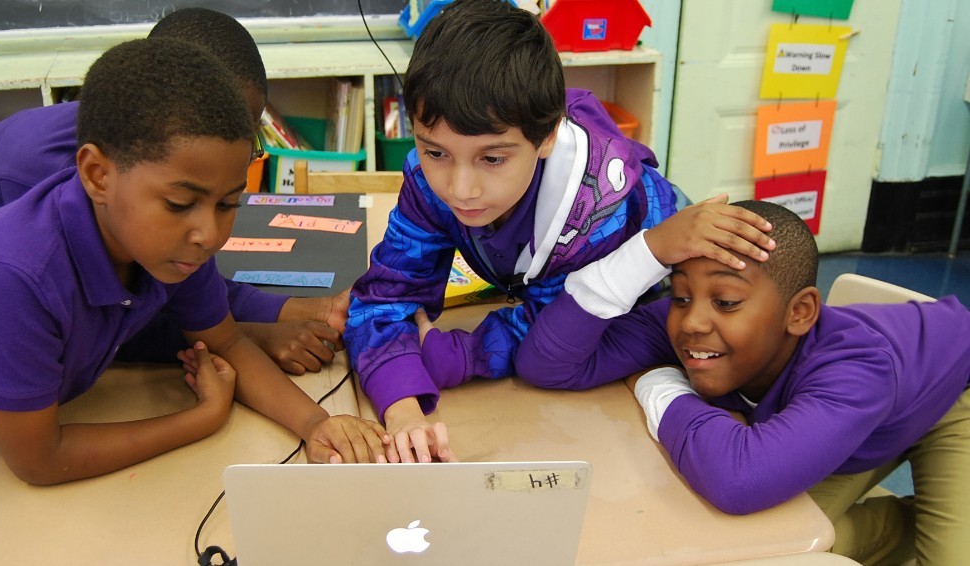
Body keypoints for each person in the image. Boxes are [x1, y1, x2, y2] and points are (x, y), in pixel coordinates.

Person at [0, 38, 393, 566]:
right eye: (180, 203)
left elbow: (223, 338)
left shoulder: (166, 244)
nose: (208, 233)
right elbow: (39, 458)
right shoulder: (13, 279)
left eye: (227, 204)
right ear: (96, 174)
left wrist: (316, 424)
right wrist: (202, 418)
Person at [0, 7, 346, 375]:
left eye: (248, 129)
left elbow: (182, 284)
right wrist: (252, 336)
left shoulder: (141, 173)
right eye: (181, 202)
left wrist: (286, 307)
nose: (235, 150)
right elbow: (103, 328)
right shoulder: (44, 184)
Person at [516, 199, 970, 565]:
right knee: (762, 546)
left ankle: (923, 520)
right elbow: (547, 365)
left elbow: (740, 479)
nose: (692, 321)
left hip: (953, 396)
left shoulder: (858, 368)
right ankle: (912, 520)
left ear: (800, 313)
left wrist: (659, 383)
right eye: (680, 296)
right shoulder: (689, 321)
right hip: (874, 414)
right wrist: (647, 251)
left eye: (727, 301)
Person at [344, 0, 680, 463]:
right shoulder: (429, 182)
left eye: (493, 158)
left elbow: (552, 332)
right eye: (435, 151)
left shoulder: (598, 210)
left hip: (663, 309)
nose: (460, 189)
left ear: (546, 138)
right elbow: (382, 299)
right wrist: (402, 409)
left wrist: (458, 355)